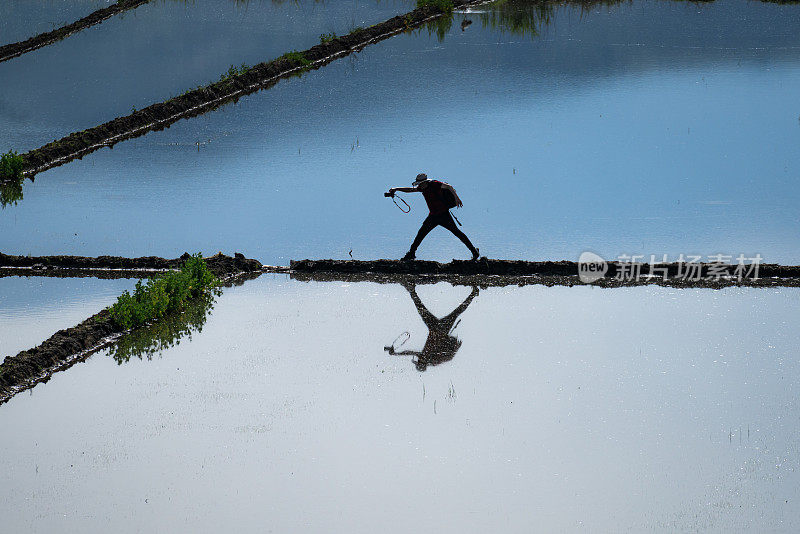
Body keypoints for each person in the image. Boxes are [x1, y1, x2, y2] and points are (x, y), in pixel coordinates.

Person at [385, 281, 479, 372]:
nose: (420, 359)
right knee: (455, 311)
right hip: (442, 330)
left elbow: (410, 352)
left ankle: (411, 289)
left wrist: (396, 354)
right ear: (424, 363)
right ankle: (474, 293)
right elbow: (447, 357)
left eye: (419, 361)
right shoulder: (433, 359)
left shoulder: (425, 357)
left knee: (421, 309)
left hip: (434, 328)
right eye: (420, 361)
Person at [387, 173, 480, 261]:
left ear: (425, 182)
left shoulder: (435, 184)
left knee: (457, 233)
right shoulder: (422, 188)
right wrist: (396, 189)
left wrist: (456, 198)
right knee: (421, 233)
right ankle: (411, 253)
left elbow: (449, 186)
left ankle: (474, 251)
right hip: (433, 216)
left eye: (421, 184)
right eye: (418, 184)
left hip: (444, 215)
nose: (419, 186)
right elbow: (410, 190)